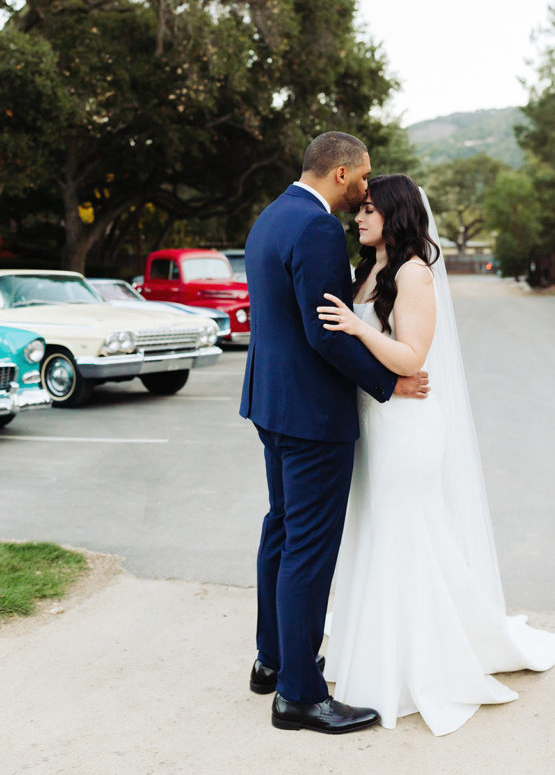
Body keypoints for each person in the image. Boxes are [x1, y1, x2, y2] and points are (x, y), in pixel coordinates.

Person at [317, 174, 555, 736]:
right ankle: (381, 647)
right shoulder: (372, 269)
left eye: (369, 210)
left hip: (407, 427)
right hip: (376, 422)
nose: (359, 217)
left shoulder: (412, 272)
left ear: (394, 215)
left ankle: (418, 663)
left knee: (407, 532)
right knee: (381, 530)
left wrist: (355, 325)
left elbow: (412, 356)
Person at [240, 133, 429, 735]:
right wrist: (387, 383)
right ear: (341, 172)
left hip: (271, 405)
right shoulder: (318, 228)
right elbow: (325, 332)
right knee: (308, 548)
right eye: (363, 177)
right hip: (311, 416)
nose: (366, 188)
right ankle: (298, 694)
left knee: (282, 529)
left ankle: (272, 660)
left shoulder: (271, 216)